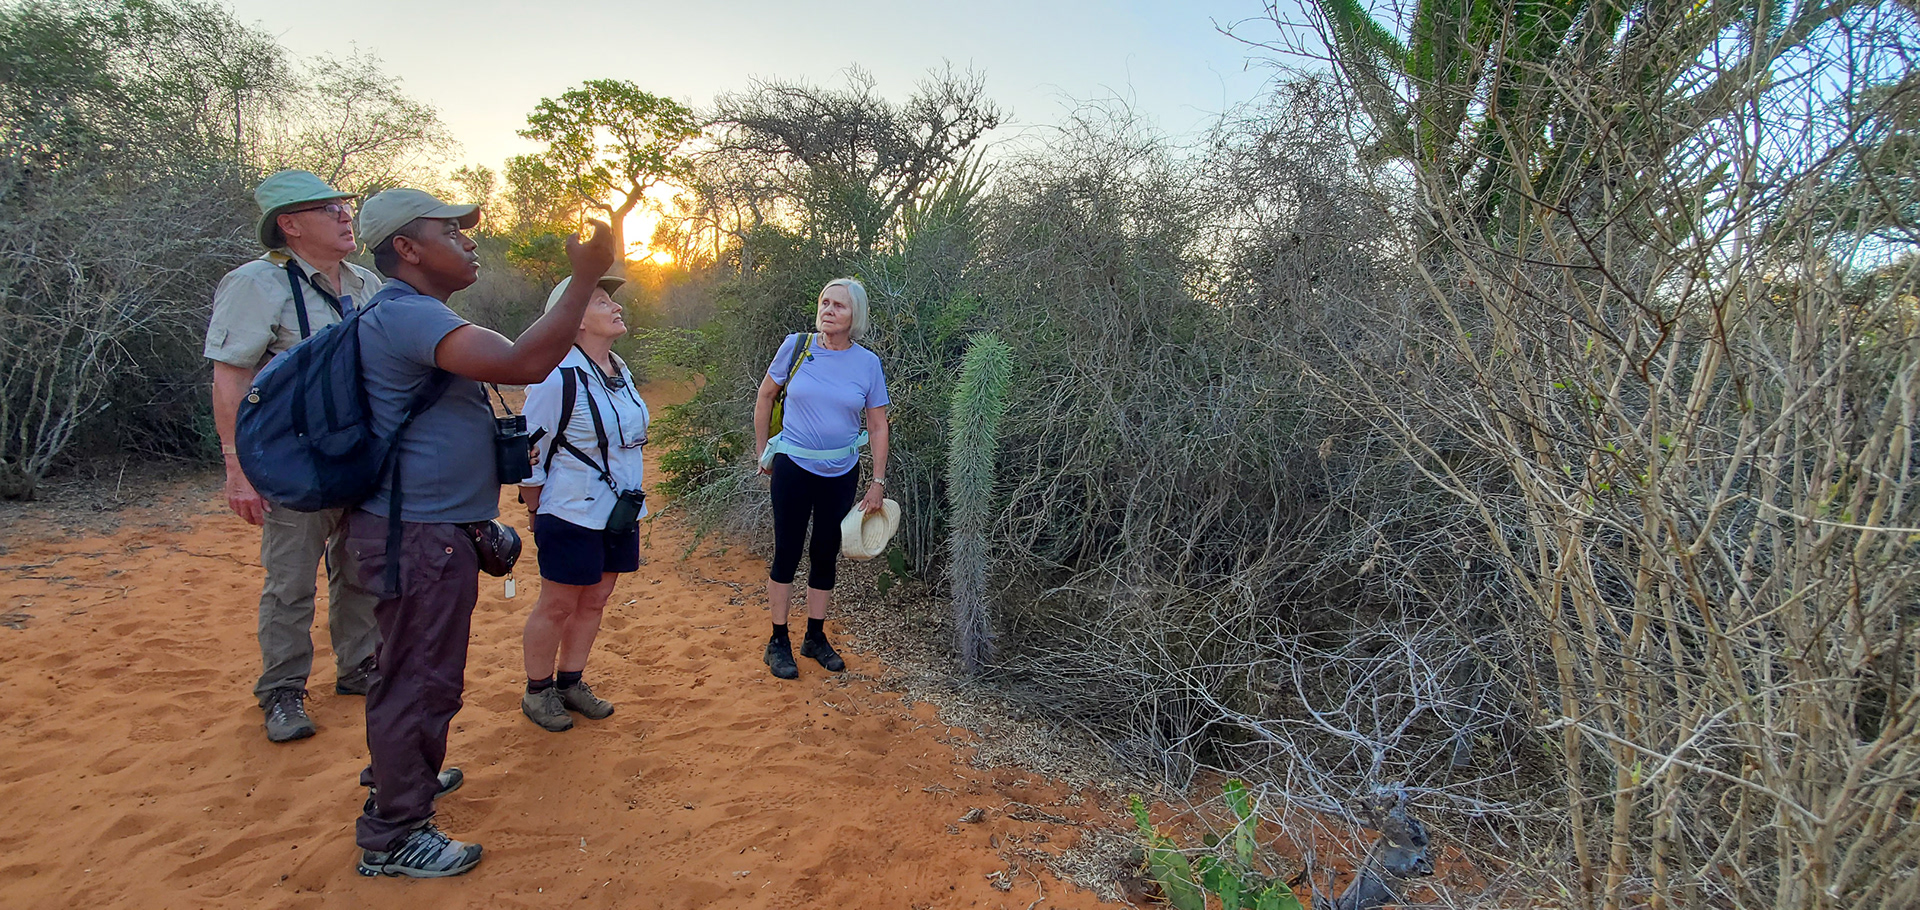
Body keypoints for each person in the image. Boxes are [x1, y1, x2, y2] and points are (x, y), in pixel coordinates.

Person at [343, 187, 616, 878]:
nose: (469, 240)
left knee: (407, 672)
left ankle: (401, 779)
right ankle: (395, 834)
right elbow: (525, 362)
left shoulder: (411, 316)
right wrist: (584, 277)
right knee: (421, 680)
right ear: (405, 247)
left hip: (422, 530)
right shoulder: (406, 316)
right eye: (451, 230)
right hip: (417, 536)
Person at [204, 170, 383, 743]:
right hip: (293, 461)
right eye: (328, 208)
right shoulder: (255, 284)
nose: (344, 215)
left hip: (359, 456)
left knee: (360, 569)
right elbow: (230, 377)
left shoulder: (366, 282)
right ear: (290, 224)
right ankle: (282, 691)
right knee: (290, 581)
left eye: (344, 205)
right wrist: (238, 467)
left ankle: (359, 668)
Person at [516, 273, 649, 732]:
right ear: (574, 321)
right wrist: (535, 512)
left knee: (597, 597)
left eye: (611, 299)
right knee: (557, 603)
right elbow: (528, 451)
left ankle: (571, 683)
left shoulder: (619, 369)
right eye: (600, 302)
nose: (614, 307)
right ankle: (538, 691)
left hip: (618, 509)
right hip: (569, 509)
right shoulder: (555, 376)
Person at [751, 278, 891, 680]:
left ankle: (814, 636)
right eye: (824, 303)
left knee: (826, 552)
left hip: (842, 471)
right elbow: (765, 395)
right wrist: (764, 450)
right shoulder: (797, 346)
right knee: (788, 551)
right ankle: (778, 640)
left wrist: (878, 480)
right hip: (794, 466)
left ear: (854, 317)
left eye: (839, 306)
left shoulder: (867, 363)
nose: (828, 310)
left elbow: (878, 425)